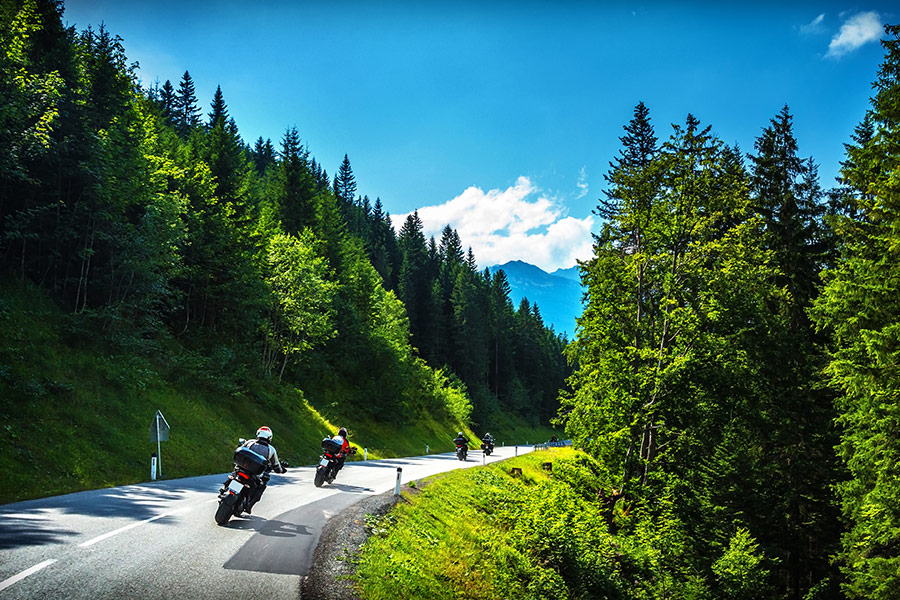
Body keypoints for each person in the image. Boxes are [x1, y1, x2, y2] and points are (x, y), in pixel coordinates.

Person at [240, 426, 286, 513]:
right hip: (255, 473)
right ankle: (249, 505)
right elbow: (276, 465)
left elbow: (241, 449)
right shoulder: (271, 449)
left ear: (258, 433)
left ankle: (224, 489)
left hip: (243, 468)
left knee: (234, 474)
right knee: (262, 485)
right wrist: (281, 470)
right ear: (269, 437)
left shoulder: (250, 442)